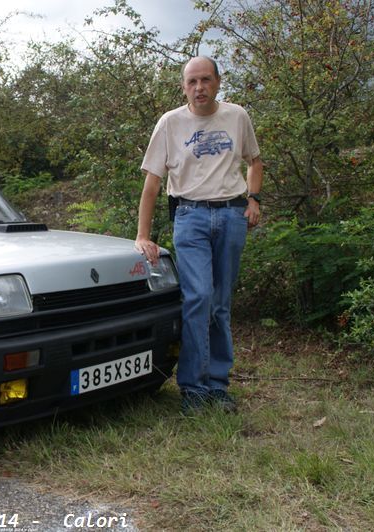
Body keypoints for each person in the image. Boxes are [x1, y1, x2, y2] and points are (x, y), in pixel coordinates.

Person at [135, 56, 263, 414]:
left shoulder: (237, 116)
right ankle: (193, 388)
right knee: (198, 298)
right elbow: (152, 183)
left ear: (218, 82)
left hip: (231, 215)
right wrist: (143, 235)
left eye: (205, 80)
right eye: (192, 82)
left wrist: (253, 200)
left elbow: (255, 161)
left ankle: (218, 386)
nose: (199, 88)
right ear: (183, 87)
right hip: (189, 216)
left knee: (220, 303)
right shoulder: (170, 123)